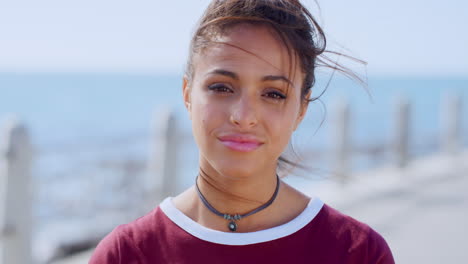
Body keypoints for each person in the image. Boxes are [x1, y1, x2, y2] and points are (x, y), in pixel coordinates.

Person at [90, 0, 394, 263]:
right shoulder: (125, 255)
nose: (243, 116)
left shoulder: (357, 253)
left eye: (274, 93)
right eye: (221, 87)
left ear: (301, 108)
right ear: (187, 94)